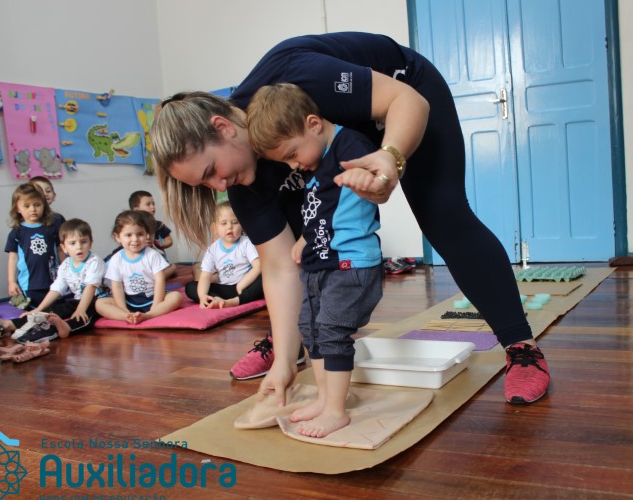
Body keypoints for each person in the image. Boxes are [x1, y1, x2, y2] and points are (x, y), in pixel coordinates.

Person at [151, 32, 549, 406]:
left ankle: (521, 345)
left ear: (223, 127)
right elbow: (278, 267)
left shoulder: (294, 74)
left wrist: (390, 157)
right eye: (206, 185)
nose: (220, 186)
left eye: (211, 172)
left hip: (404, 98)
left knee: (444, 216)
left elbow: (407, 101)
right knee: (309, 246)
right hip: (326, 148)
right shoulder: (241, 181)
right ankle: (289, 342)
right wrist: (284, 363)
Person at [246, 83, 384, 437]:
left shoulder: (350, 145)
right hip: (320, 264)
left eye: (293, 154)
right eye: (286, 162)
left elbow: (378, 179)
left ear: (313, 124)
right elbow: (324, 209)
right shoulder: (316, 161)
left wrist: (365, 175)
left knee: (333, 333)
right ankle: (324, 399)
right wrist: (306, 239)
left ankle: (336, 410)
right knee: (311, 330)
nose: (294, 165)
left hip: (351, 265)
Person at [0, 218, 106, 342]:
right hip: (77, 300)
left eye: (83, 242)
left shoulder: (95, 261)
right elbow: (57, 288)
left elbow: (90, 287)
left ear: (90, 243)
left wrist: (81, 309)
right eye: (73, 243)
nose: (79, 247)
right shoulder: (65, 265)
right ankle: (9, 324)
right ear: (64, 247)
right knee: (49, 312)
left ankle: (67, 327)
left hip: (96, 302)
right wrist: (39, 309)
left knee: (83, 315)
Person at [95, 210, 183, 324]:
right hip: (129, 301)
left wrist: (156, 305)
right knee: (99, 304)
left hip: (152, 298)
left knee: (176, 297)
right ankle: (126, 316)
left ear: (147, 234)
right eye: (128, 235)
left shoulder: (152, 255)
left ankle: (150, 315)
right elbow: (116, 286)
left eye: (140, 234)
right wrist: (123, 309)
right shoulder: (116, 259)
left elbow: (160, 280)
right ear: (117, 237)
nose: (135, 239)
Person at [184, 200, 264, 309]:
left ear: (242, 224)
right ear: (215, 227)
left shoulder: (246, 243)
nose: (230, 227)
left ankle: (235, 301)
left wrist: (241, 285)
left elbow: (258, 266)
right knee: (191, 287)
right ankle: (215, 299)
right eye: (224, 223)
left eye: (235, 222)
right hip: (226, 289)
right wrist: (202, 296)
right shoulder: (212, 249)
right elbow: (205, 276)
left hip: (245, 287)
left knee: (266, 277)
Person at [5, 183, 62, 309]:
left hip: (52, 282)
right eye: (27, 206)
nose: (33, 209)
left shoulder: (51, 228)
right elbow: (12, 258)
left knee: (55, 309)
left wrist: (65, 272)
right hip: (28, 284)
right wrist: (11, 282)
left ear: (43, 205)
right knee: (24, 306)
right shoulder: (17, 232)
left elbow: (60, 251)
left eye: (37, 205)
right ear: (17, 209)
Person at [129, 190, 177, 278]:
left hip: (158, 262)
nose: (153, 207)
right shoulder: (131, 226)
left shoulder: (158, 225)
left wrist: (160, 242)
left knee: (173, 267)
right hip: (140, 261)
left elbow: (169, 240)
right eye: (148, 204)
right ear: (136, 210)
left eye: (153, 204)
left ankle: (159, 276)